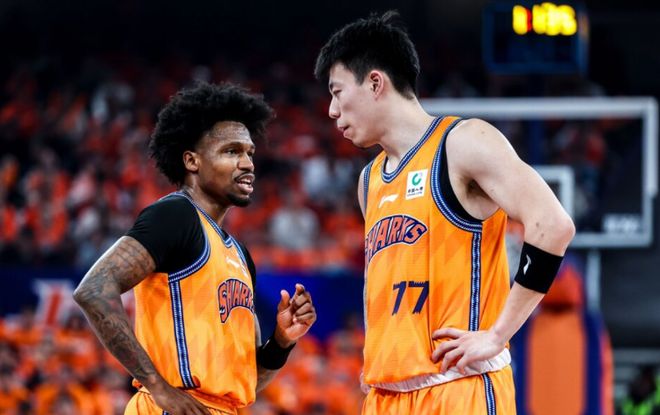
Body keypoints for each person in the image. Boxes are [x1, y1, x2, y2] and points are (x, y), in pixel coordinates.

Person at [314, 11, 575, 414]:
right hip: (385, 396)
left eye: (337, 91)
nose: (332, 110)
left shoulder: (464, 143)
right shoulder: (369, 180)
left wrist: (497, 335)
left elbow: (553, 225)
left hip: (458, 388)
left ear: (375, 82)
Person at [73, 82, 317, 415]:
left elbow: (247, 382)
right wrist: (158, 387)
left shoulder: (239, 254)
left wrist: (281, 341)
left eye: (249, 153)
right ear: (192, 161)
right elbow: (93, 290)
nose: (248, 163)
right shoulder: (175, 216)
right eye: (232, 151)